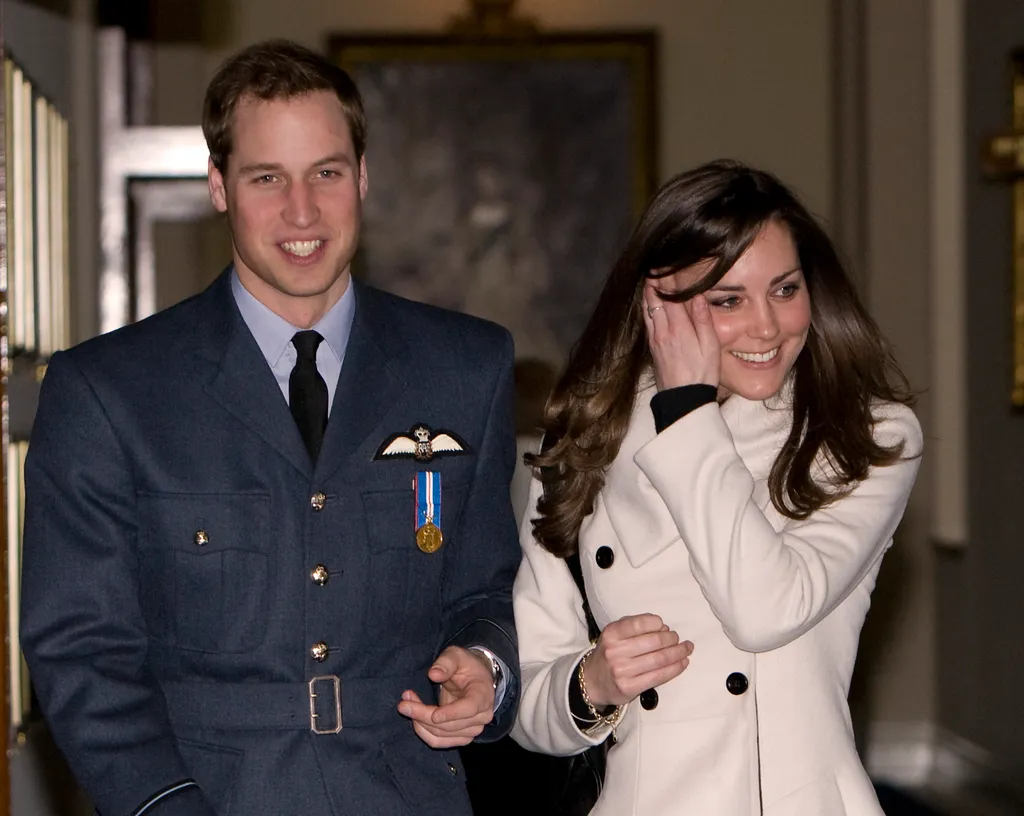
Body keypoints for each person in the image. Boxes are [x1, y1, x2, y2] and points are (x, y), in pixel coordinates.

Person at [20, 40, 521, 816]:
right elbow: (82, 654)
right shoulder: (108, 392)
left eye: (325, 172)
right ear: (218, 187)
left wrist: (485, 664)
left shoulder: (466, 366)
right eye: (267, 178)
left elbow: (485, 585)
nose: (302, 211)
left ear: (363, 175)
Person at [510, 160, 923, 815]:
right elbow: (530, 700)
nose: (766, 327)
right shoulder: (582, 443)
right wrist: (591, 682)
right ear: (658, 302)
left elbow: (763, 611)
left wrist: (687, 413)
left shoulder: (865, 436)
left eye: (785, 290)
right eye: (728, 300)